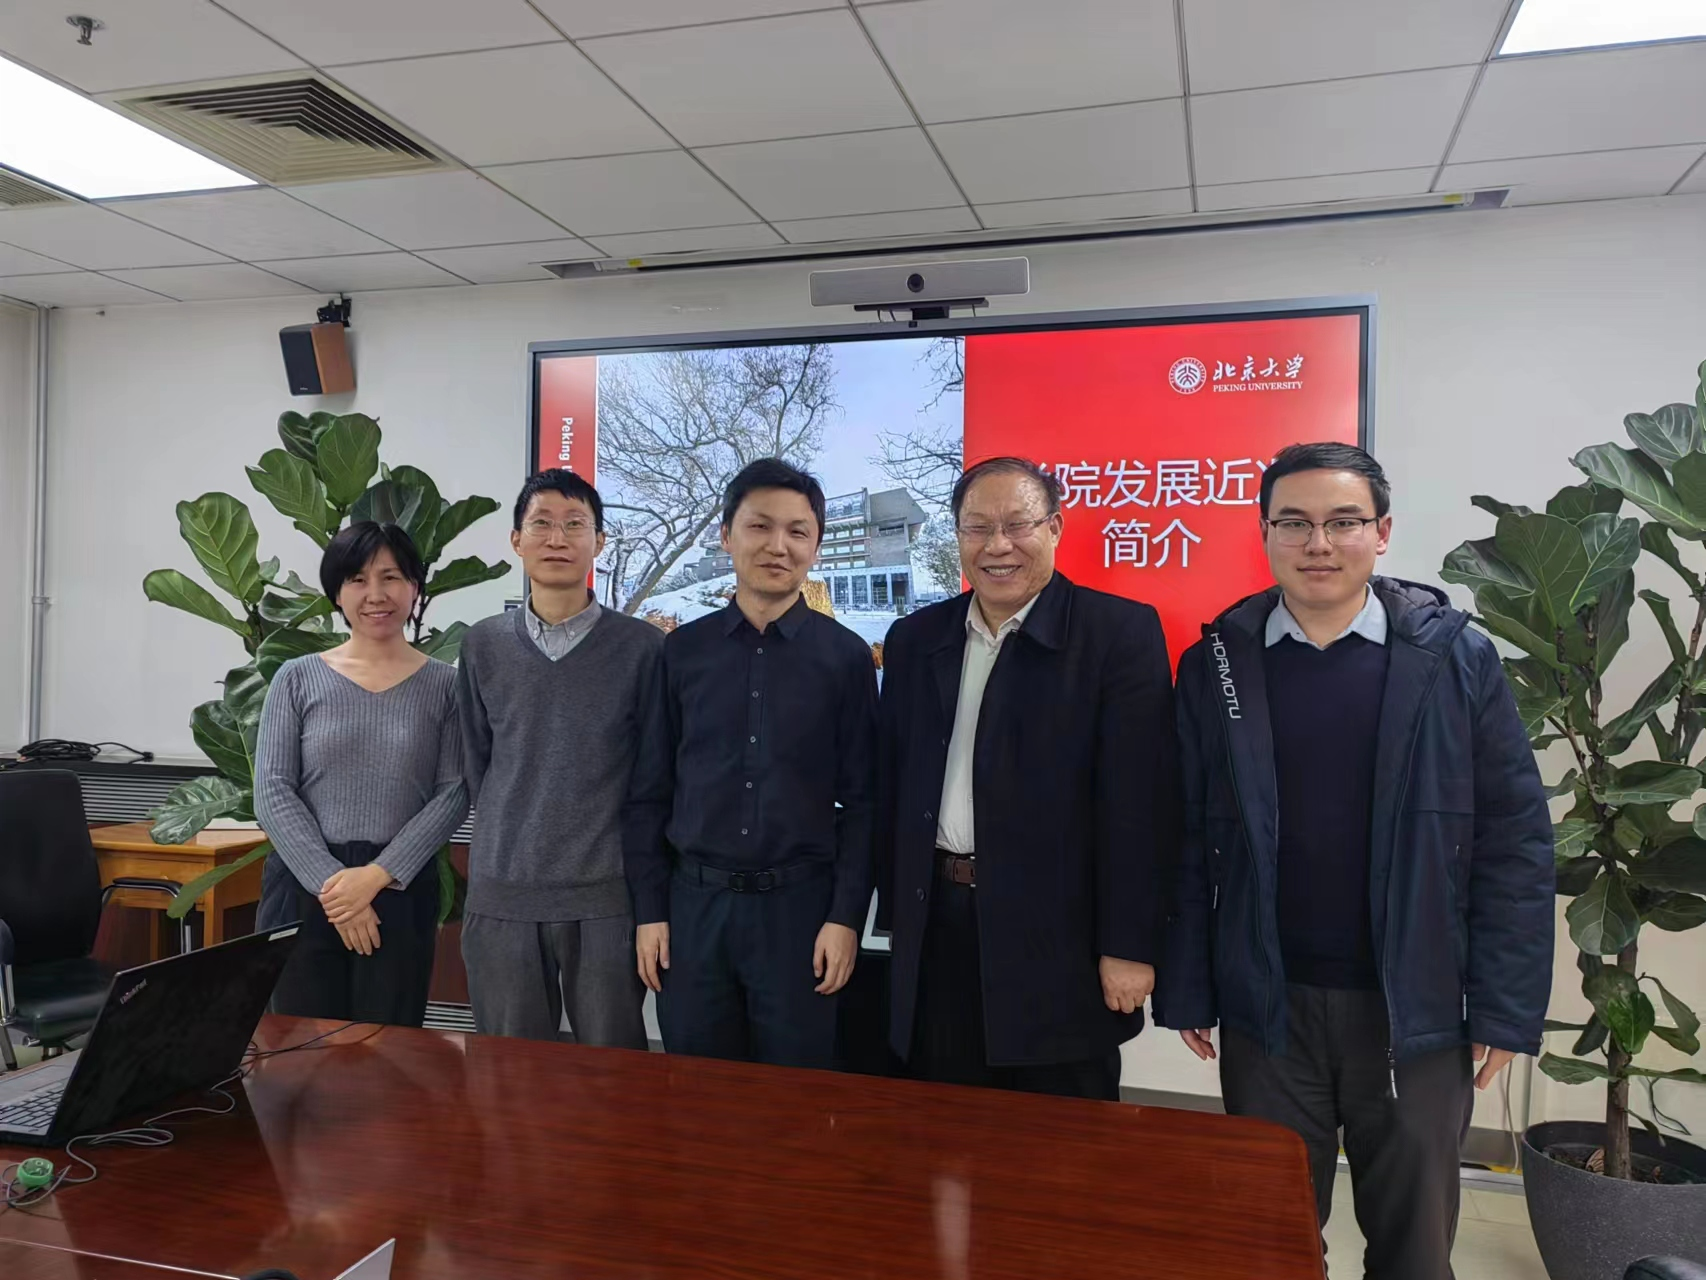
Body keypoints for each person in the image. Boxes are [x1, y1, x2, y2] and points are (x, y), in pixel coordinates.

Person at [1155, 442, 1554, 1280]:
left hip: (1415, 1010)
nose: (1318, 544)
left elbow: (1514, 838)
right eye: (1293, 523)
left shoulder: (1456, 659)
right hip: (1269, 1007)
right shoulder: (1218, 663)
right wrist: (1187, 984)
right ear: (1265, 534)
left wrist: (1505, 1007)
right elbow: (1187, 835)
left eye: (1343, 522)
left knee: (1415, 1251)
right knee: (1269, 1243)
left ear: (1382, 532)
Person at [874, 456, 1179, 1101]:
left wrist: (1129, 944)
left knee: (1062, 1138)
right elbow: (893, 781)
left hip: (1060, 937)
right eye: (977, 527)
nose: (997, 546)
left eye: (1018, 525)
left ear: (1055, 528)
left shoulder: (1117, 633)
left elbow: (1140, 805)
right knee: (943, 1126)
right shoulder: (915, 638)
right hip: (939, 925)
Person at [627, 458, 878, 1069]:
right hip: (694, 911)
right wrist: (650, 912)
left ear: (816, 545)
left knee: (796, 1096)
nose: (778, 546)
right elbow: (650, 792)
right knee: (697, 1090)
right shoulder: (680, 653)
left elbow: (865, 801)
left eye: (797, 531)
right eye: (759, 526)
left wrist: (846, 918)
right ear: (726, 535)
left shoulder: (846, 658)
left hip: (801, 914)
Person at [455, 469, 663, 1048]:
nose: (557, 538)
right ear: (516, 540)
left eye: (575, 525)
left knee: (610, 1072)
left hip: (606, 899)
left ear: (599, 542)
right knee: (507, 1075)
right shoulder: (482, 644)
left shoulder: (643, 648)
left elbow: (653, 775)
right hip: (504, 893)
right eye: (541, 524)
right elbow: (477, 764)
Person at [254, 521, 467, 1027]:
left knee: (388, 1049)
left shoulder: (446, 686)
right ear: (337, 593)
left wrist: (374, 877)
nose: (376, 595)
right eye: (357, 580)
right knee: (299, 1050)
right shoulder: (296, 678)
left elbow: (453, 793)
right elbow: (273, 789)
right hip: (304, 884)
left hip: (398, 885)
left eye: (391, 577)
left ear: (414, 587)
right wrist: (336, 889)